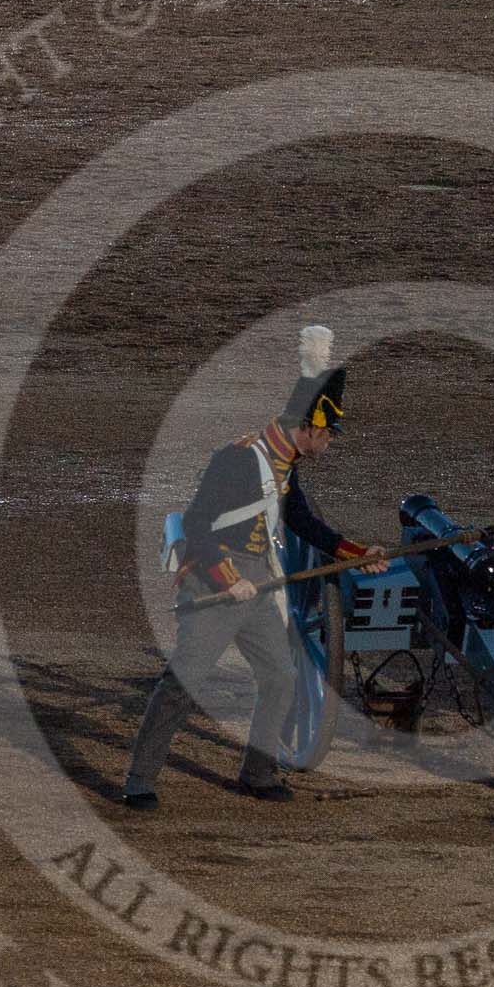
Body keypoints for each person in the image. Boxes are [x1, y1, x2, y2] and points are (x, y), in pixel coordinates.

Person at [123, 326, 389, 812]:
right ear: (307, 428)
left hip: (258, 584)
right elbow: (198, 525)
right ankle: (139, 779)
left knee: (281, 677)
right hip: (215, 582)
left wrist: (357, 553)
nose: (328, 443)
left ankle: (258, 771)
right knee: (182, 684)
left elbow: (304, 521)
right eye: (326, 434)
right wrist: (229, 578)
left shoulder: (285, 464)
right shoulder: (239, 459)